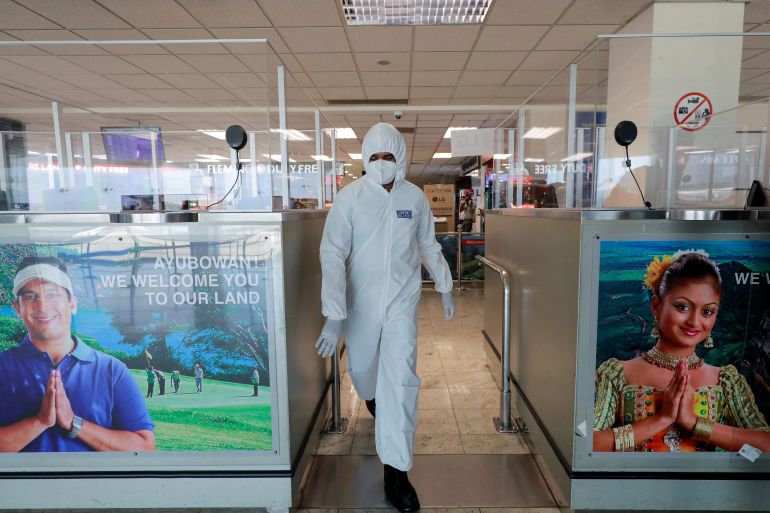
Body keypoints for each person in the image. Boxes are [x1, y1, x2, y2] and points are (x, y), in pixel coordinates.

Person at [316, 122, 455, 512]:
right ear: (364, 159)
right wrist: (333, 314)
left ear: (401, 158)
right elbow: (332, 253)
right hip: (360, 305)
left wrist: (444, 286)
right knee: (362, 373)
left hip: (401, 302)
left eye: (388, 157)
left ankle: (397, 474)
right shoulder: (350, 199)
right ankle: (381, 410)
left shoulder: (416, 198)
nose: (381, 164)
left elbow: (428, 245)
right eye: (374, 157)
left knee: (401, 379)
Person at [594, 250, 770, 452]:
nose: (694, 322)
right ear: (656, 306)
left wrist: (695, 424)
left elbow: (766, 445)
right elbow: (587, 445)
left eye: (707, 311)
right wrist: (661, 419)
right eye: (683, 307)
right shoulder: (617, 374)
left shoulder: (727, 381)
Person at [0, 256, 155, 452]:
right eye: (30, 297)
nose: (42, 306)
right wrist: (40, 421)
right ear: (17, 309)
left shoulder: (112, 370)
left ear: (72, 304)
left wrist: (74, 423)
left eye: (52, 294)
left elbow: (144, 447)